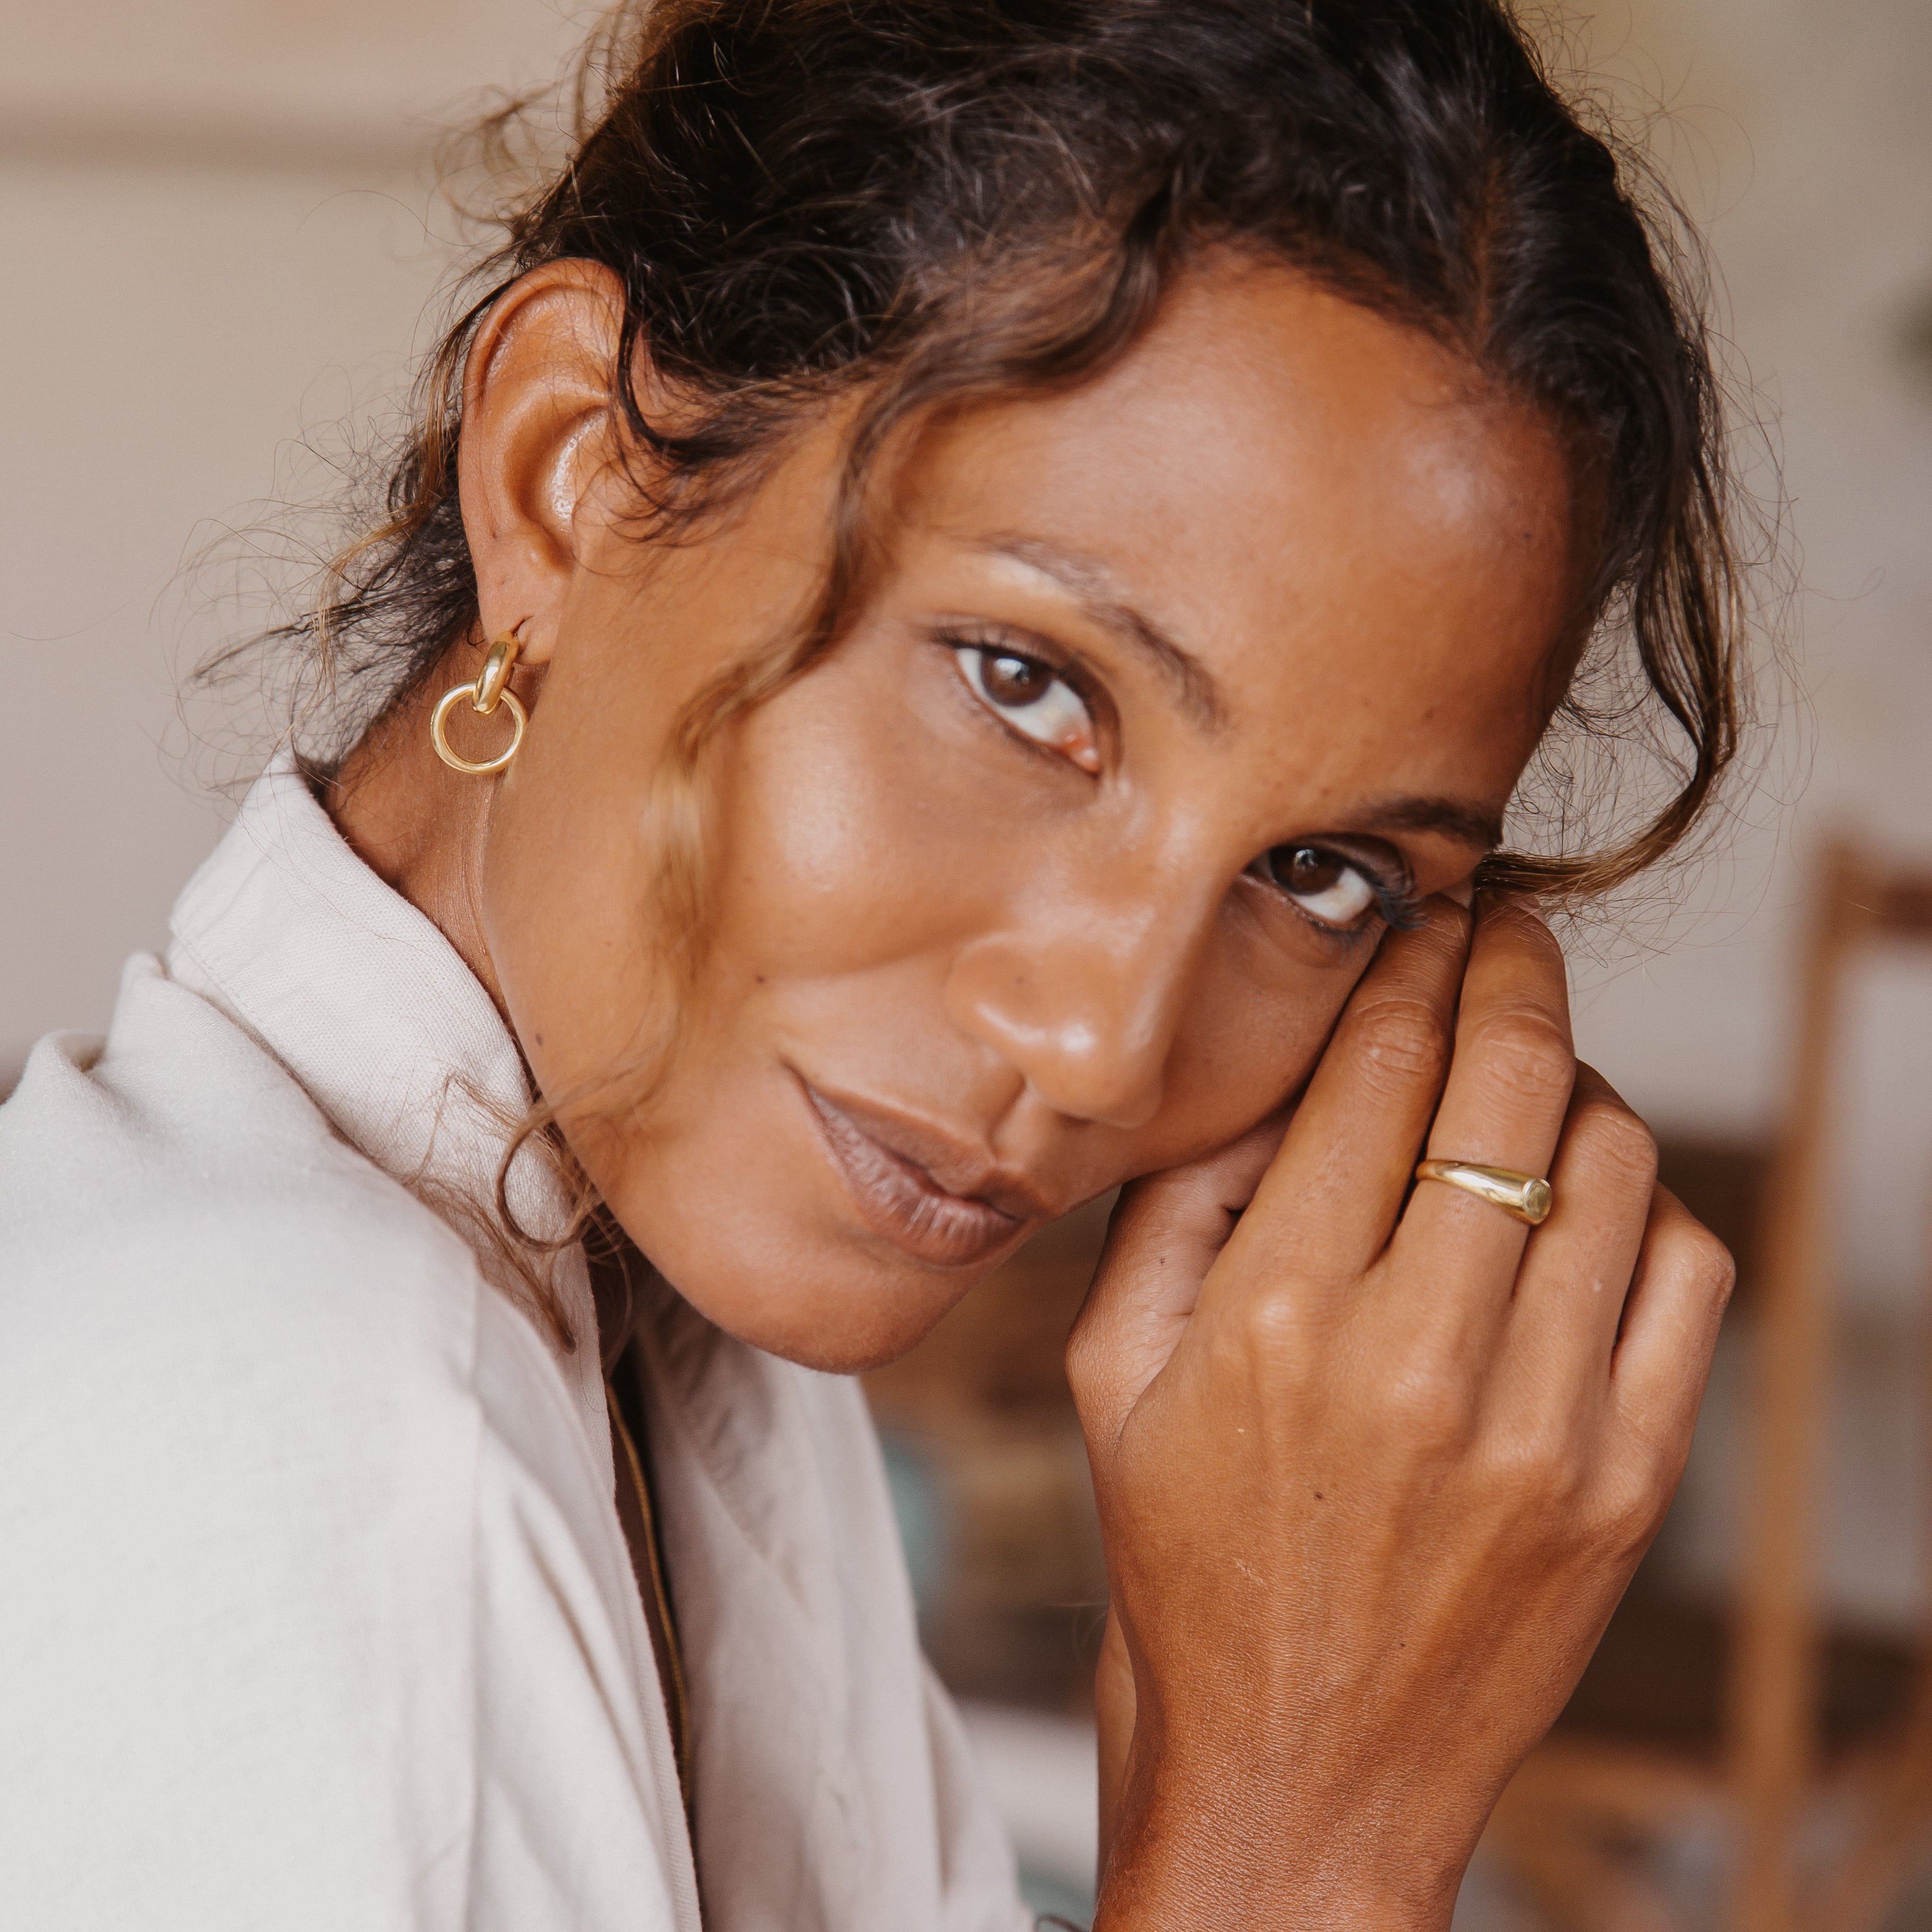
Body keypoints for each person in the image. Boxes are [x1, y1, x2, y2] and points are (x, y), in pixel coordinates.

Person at [0, 0, 1746, 1926]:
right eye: (1028, 688)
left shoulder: (672, 1350)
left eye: (1322, 874)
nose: (1100, 1046)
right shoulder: (285, 1427)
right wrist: (1299, 1831)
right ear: (566, 474)